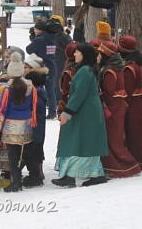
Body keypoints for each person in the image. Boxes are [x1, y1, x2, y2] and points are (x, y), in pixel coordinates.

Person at [54, 43, 109, 188]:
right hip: (88, 110)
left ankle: (70, 176)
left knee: (76, 141)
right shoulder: (87, 69)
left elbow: (79, 94)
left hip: (85, 111)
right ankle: (96, 174)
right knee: (87, 142)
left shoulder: (84, 71)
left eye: (78, 52)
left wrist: (67, 112)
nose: (75, 55)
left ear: (84, 54)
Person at [0, 52, 38, 192]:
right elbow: (32, 107)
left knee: (12, 155)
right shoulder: (31, 87)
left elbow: (3, 110)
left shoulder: (8, 90)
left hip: (11, 126)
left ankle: (16, 181)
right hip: (26, 125)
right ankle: (31, 175)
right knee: (24, 153)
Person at [97, 41, 141, 178]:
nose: (97, 56)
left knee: (113, 140)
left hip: (113, 108)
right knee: (115, 138)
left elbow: (109, 91)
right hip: (118, 107)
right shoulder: (116, 67)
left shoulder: (109, 71)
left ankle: (124, 166)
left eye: (99, 53)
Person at [118, 35, 142, 168]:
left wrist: (124, 104)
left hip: (133, 104)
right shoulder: (136, 64)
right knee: (139, 131)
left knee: (134, 132)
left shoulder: (129, 68)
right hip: (140, 102)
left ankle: (138, 159)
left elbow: (127, 89)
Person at [21, 54, 49, 188]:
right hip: (36, 123)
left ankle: (36, 174)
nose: (24, 69)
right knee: (35, 148)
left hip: (35, 124)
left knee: (34, 148)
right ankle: (37, 172)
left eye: (27, 67)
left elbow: (36, 107)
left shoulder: (36, 88)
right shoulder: (35, 85)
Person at [26, 20, 58, 119]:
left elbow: (29, 49)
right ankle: (52, 112)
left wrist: (35, 39)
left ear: (39, 29)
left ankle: (37, 110)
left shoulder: (39, 40)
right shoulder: (52, 38)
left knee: (38, 90)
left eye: (35, 28)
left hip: (40, 68)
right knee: (51, 91)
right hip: (52, 66)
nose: (34, 30)